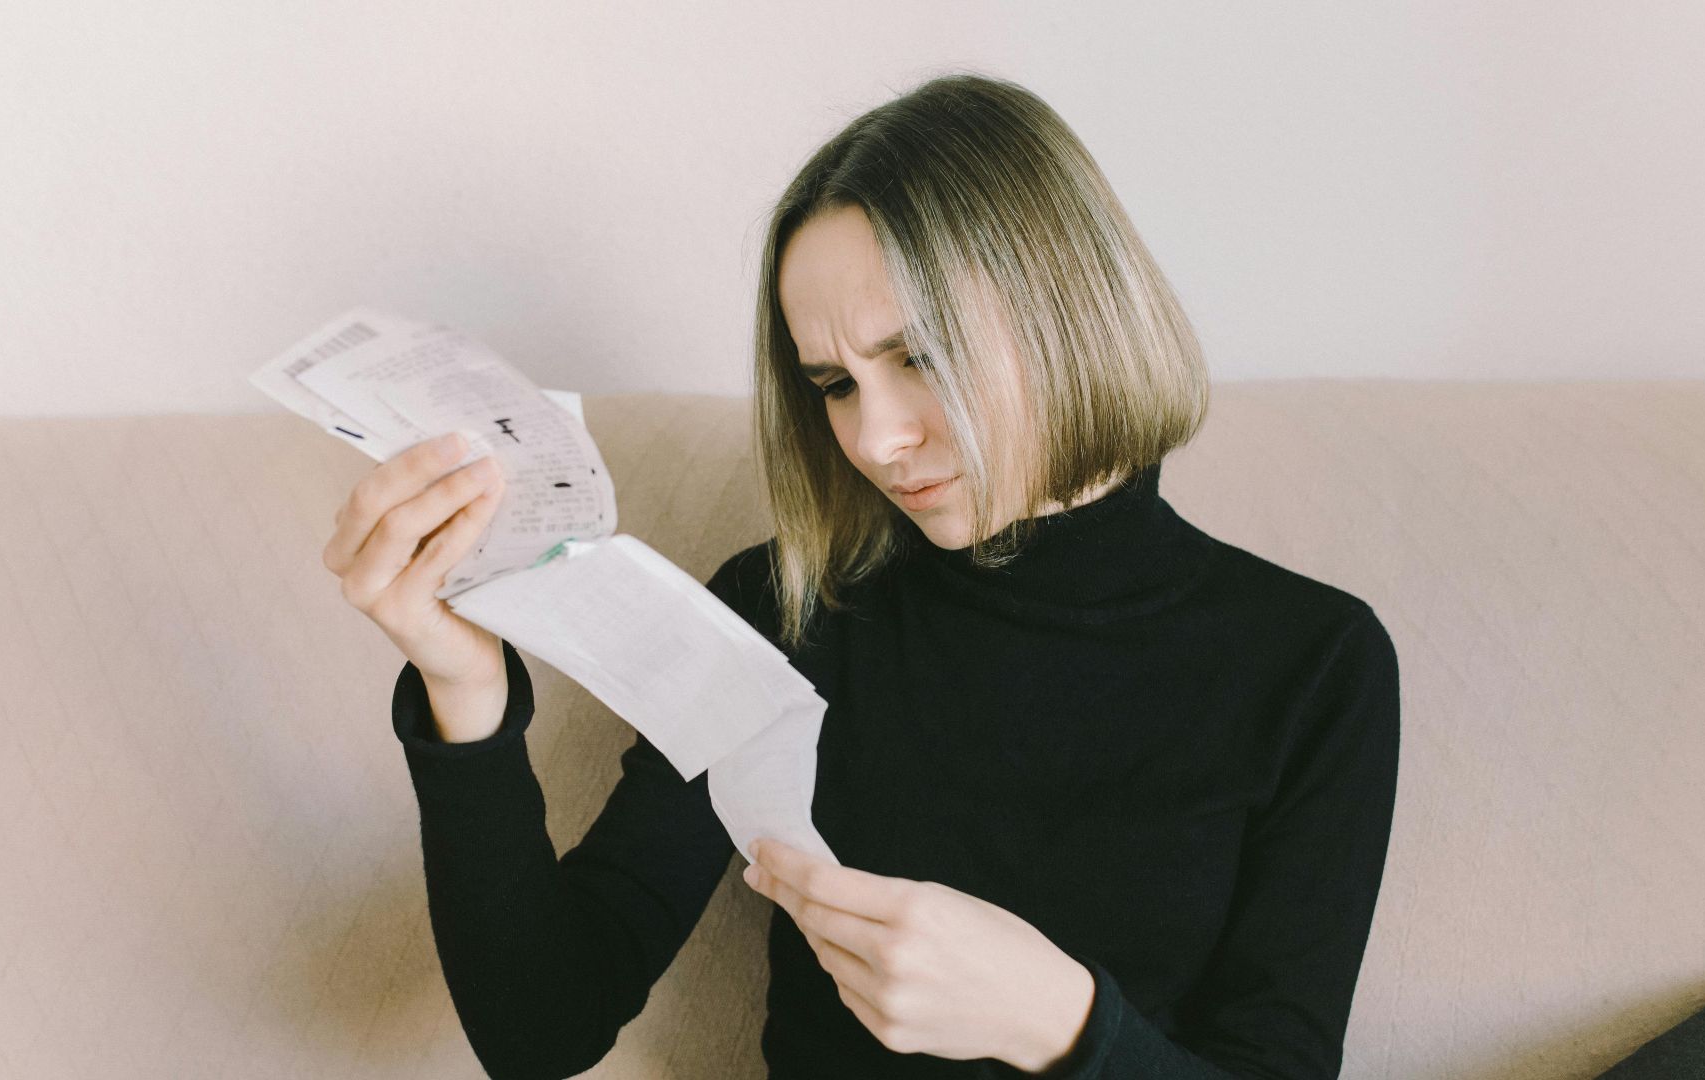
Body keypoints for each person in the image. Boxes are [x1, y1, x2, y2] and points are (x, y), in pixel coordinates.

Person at [323, 71, 1400, 1079]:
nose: (877, 439)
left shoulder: (1311, 664)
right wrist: (465, 696)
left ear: (1068, 314)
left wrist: (1063, 1022)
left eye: (921, 358)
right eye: (834, 383)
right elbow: (542, 1025)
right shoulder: (783, 611)